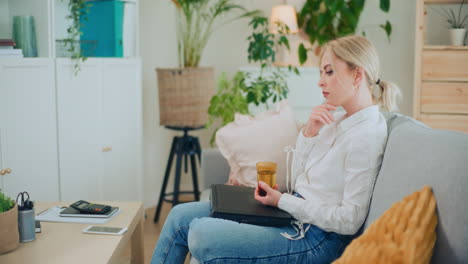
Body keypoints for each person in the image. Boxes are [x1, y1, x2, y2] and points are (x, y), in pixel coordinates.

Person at [151, 35, 401, 264]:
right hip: (291, 214)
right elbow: (301, 177)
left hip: (314, 239)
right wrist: (309, 134)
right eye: (321, 73)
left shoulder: (366, 135)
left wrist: (283, 201)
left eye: (329, 72)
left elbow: (349, 220)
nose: (320, 82)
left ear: (357, 76)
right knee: (179, 216)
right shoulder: (337, 119)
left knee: (199, 233)